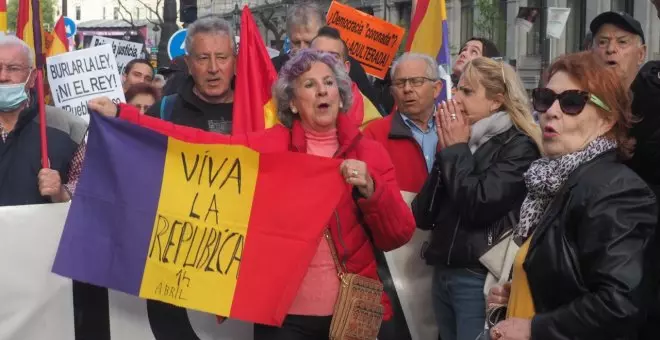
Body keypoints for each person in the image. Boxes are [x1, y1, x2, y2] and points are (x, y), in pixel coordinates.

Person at [90, 49, 415, 339]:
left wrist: (372, 190)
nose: (322, 91)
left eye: (329, 83)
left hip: (351, 316)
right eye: (310, 84)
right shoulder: (271, 147)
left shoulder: (368, 153)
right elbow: (197, 145)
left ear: (341, 96)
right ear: (291, 101)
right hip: (284, 319)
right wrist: (124, 117)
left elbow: (398, 233)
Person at [487, 51, 657, 340]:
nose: (552, 111)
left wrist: (535, 328)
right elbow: (567, 280)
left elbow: (620, 304)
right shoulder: (551, 183)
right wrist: (523, 292)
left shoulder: (615, 189)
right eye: (544, 98)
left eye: (572, 102)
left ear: (607, 119)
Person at [412, 57, 542, 340]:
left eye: (468, 92)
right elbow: (423, 214)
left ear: (496, 101)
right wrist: (447, 153)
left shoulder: (519, 146)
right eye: (457, 88)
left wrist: (456, 150)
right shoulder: (462, 140)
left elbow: (478, 205)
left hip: (478, 277)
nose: (456, 98)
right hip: (444, 271)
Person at [0, 35, 86, 206]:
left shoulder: (67, 126)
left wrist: (61, 192)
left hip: (41, 231)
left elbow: (90, 185)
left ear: (32, 78)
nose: (3, 76)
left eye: (13, 68)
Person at [271, 2, 383, 114]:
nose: (302, 50)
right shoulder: (273, 68)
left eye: (309, 42)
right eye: (296, 42)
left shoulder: (346, 67)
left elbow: (372, 116)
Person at [364, 52, 442, 191]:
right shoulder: (375, 133)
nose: (407, 89)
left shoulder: (456, 127)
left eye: (416, 81)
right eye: (400, 83)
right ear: (392, 92)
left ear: (436, 89)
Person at [146, 16, 235, 134]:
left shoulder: (261, 112)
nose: (213, 68)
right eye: (203, 58)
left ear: (235, 61)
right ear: (188, 63)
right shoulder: (164, 112)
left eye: (221, 58)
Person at [310, 26, 382, 129]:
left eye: (333, 57)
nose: (325, 62)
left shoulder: (371, 123)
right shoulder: (291, 107)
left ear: (346, 67)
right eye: (317, 55)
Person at [589, 11, 646, 89]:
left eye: (622, 42)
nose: (610, 49)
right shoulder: (578, 96)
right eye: (602, 42)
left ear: (641, 54)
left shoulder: (653, 97)